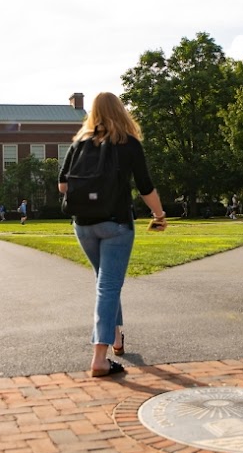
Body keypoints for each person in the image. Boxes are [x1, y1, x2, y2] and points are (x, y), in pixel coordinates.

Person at [58, 92, 166, 379]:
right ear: (121, 111)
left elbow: (62, 186)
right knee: (108, 286)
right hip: (116, 223)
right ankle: (99, 359)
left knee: (105, 282)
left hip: (83, 224)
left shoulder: (79, 143)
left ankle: (116, 338)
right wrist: (159, 215)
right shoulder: (128, 143)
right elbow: (145, 187)